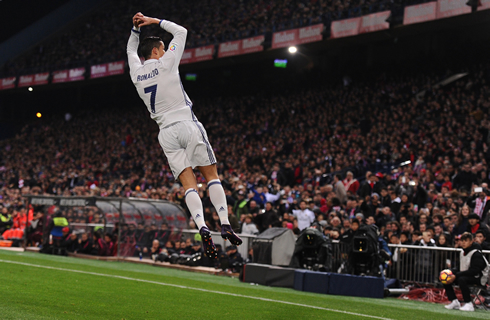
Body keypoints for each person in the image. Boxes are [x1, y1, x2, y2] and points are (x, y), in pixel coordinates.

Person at [127, 12, 241, 259]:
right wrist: (152, 21)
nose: (167, 49)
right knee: (211, 176)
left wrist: (135, 31)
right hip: (186, 124)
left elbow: (130, 51)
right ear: (157, 52)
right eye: (164, 47)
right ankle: (224, 222)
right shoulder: (167, 62)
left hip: (165, 133)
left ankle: (201, 226)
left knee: (189, 185)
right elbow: (181, 31)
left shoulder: (136, 74)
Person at [444, 232, 488, 312]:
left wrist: (456, 275)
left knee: (462, 279)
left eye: (466, 241)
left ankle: (468, 303)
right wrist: (450, 272)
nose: (463, 243)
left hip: (479, 278)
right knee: (445, 277)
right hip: (466, 275)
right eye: (462, 240)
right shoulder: (462, 252)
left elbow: (475, 271)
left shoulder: (476, 253)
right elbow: (459, 267)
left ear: (471, 241)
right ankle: (454, 301)